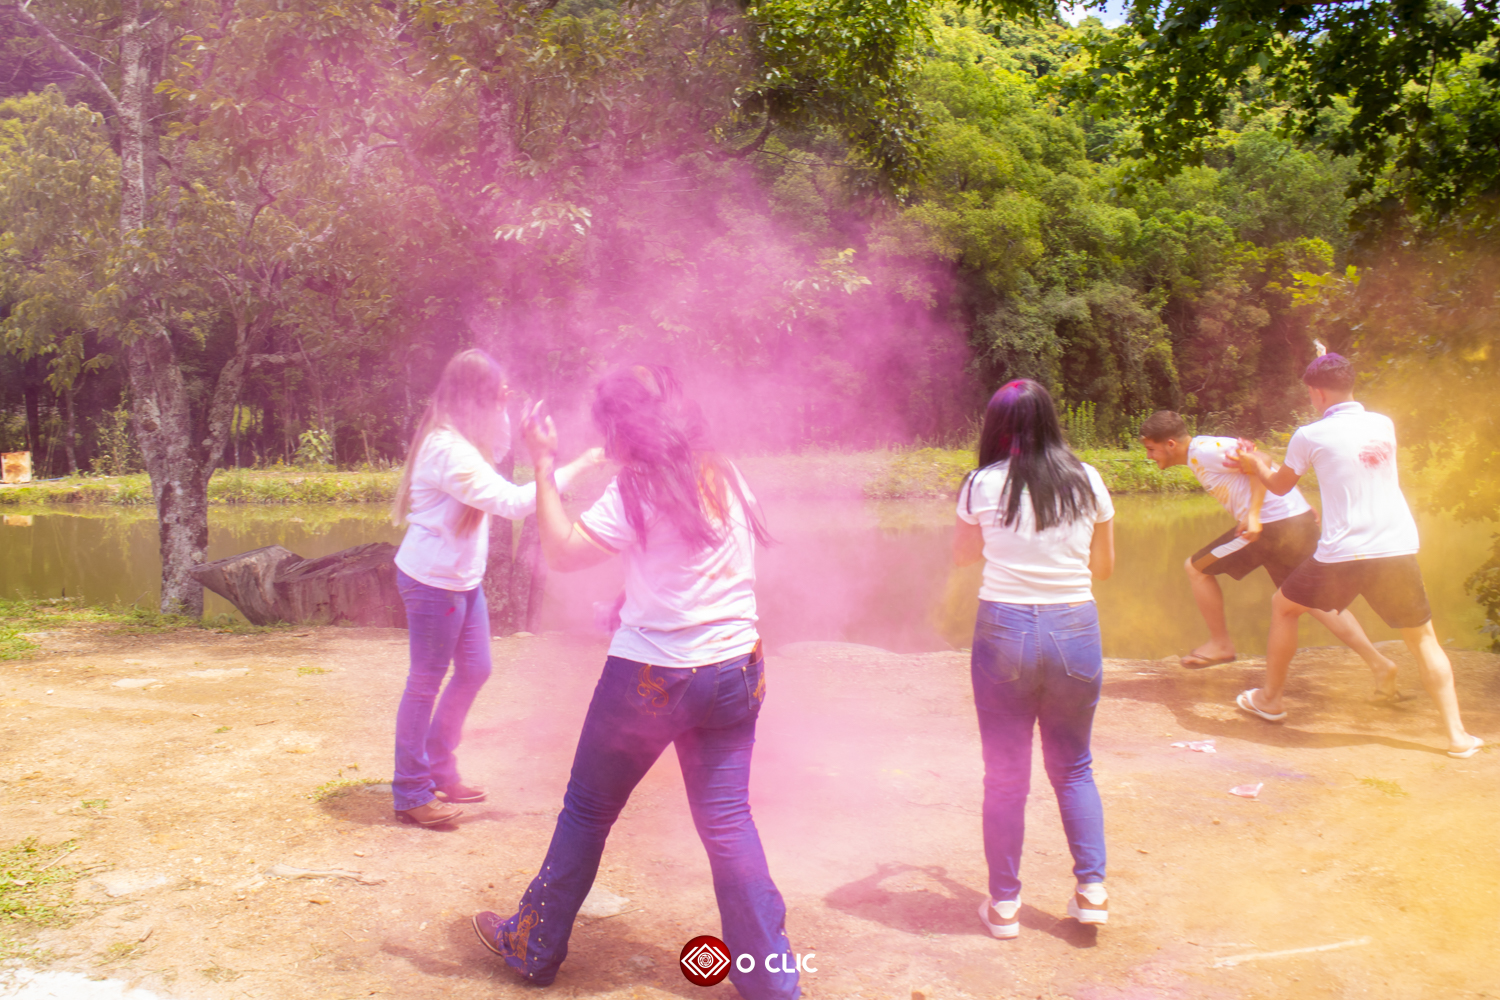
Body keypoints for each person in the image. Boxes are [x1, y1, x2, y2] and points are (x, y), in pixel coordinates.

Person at [472, 365, 797, 1000]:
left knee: (588, 810)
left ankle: (533, 946)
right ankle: (770, 980)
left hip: (653, 679)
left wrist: (543, 463)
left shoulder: (635, 487)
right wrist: (634, 597)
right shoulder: (725, 473)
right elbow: (700, 568)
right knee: (728, 821)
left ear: (626, 428)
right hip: (736, 669)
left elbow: (562, 553)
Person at [1233, 353, 1483, 758]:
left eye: (1310, 393)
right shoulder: (1383, 424)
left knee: (1283, 606)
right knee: (1423, 639)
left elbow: (1279, 486)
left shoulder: (1309, 435)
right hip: (1396, 545)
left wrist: (1254, 463)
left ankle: (1270, 700)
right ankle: (1457, 737)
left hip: (1343, 552)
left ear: (1316, 393)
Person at [389, 349, 600, 826]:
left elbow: (499, 450)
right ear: (474, 397)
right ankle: (411, 791)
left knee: (476, 669)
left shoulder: (465, 438)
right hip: (433, 584)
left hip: (461, 580)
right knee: (424, 683)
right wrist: (580, 462)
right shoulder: (448, 449)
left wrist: (505, 410)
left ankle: (439, 766)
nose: (504, 397)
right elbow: (513, 502)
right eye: (496, 393)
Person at [953, 379, 1115, 941]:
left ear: (996, 426)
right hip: (1074, 627)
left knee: (1005, 774)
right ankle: (1091, 892)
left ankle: (1004, 906)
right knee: (1074, 767)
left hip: (1005, 631)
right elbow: (1104, 568)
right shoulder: (1088, 479)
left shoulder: (980, 484)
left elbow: (963, 556)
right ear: (1051, 420)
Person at [1139, 411, 1396, 684]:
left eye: (1151, 449)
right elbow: (1265, 467)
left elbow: (1262, 461)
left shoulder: (1204, 452)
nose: (1149, 456)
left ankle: (1221, 644)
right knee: (1315, 601)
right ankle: (1379, 664)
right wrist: (1299, 504)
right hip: (1291, 521)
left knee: (1196, 569)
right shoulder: (1203, 451)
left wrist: (1253, 515)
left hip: (1271, 526)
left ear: (1170, 444)